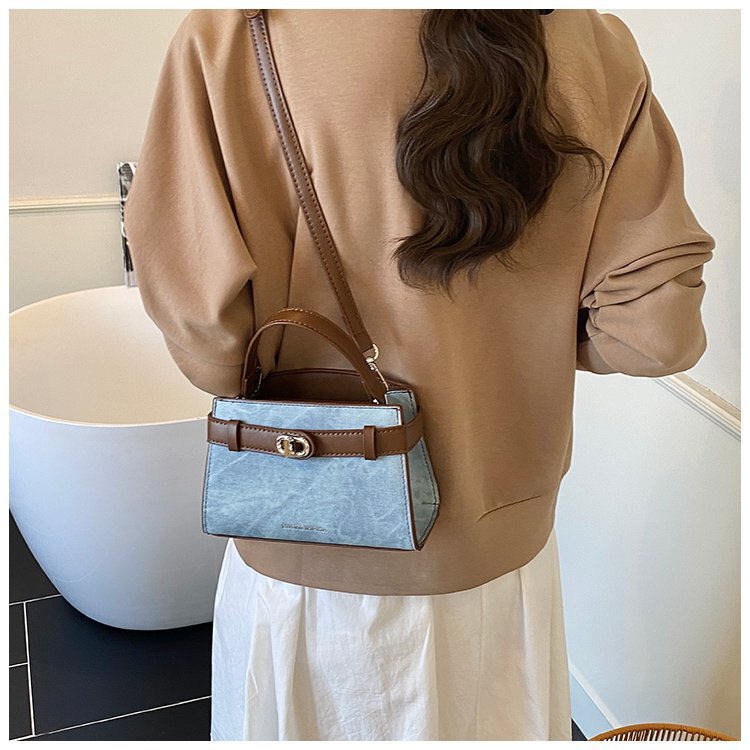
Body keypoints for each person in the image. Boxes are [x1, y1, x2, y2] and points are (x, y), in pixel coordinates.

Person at [123, 9, 715, 741]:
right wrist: (520, 336)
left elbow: (211, 345)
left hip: (308, 551)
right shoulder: (597, 48)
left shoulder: (234, 37)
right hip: (502, 568)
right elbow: (656, 337)